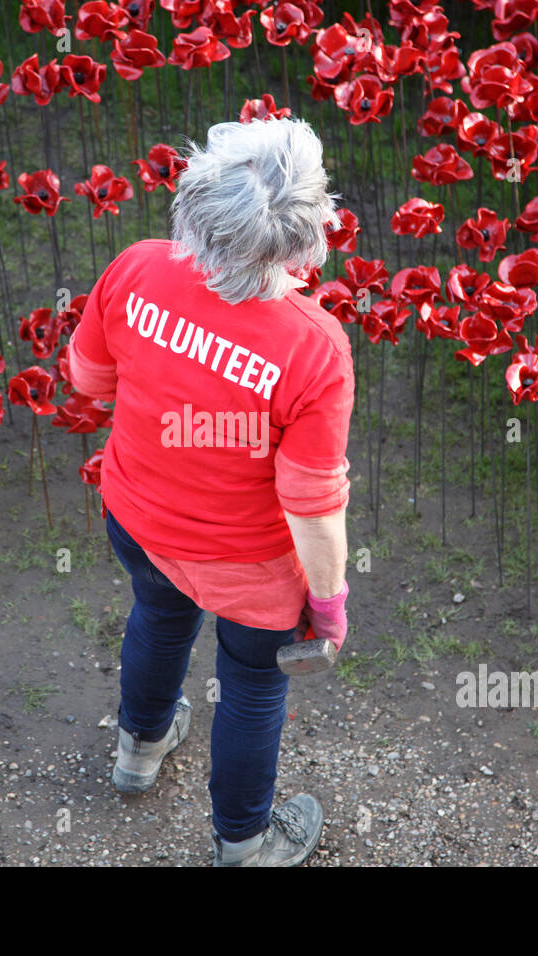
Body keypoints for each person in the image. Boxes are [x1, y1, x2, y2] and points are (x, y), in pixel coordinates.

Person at [67, 118, 353, 867]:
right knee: (253, 686)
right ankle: (243, 844)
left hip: (138, 520)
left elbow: (87, 382)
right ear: (303, 236)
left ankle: (140, 749)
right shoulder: (315, 348)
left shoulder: (137, 268)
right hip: (250, 569)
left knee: (159, 620)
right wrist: (327, 605)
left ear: (198, 200)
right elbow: (312, 504)